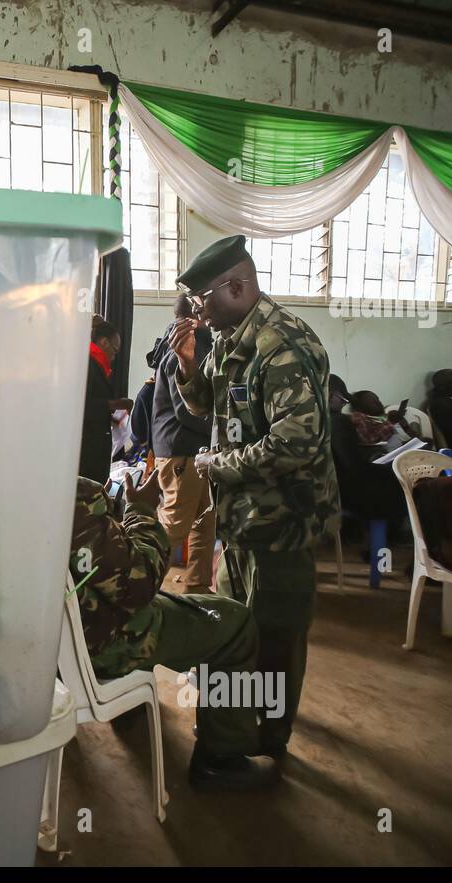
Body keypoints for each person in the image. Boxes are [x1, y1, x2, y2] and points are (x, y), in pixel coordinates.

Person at [168, 235, 340, 760]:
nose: (199, 312)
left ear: (236, 286)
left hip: (283, 520)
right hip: (242, 518)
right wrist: (187, 362)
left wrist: (215, 464)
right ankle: (234, 729)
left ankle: (267, 737)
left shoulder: (281, 346)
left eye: (203, 301)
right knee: (236, 629)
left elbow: (297, 442)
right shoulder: (230, 337)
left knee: (276, 636)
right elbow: (204, 408)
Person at [70, 470, 278, 790]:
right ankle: (221, 759)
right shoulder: (65, 499)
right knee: (235, 622)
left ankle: (128, 708)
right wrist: (140, 510)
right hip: (99, 644)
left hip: (43, 653)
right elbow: (140, 583)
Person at [143, 298, 215, 592]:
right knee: (173, 527)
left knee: (205, 524)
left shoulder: (194, 345)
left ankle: (197, 588)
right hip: (182, 450)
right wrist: (217, 431)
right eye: (206, 309)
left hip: (194, 451)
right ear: (196, 316)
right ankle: (141, 590)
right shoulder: (182, 350)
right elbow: (187, 410)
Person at [329, 375, 408, 537]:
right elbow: (353, 467)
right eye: (343, 400)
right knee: (402, 485)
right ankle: (383, 544)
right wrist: (389, 470)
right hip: (344, 491)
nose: (343, 405)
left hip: (324, 488)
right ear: (332, 395)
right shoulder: (338, 422)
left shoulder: (309, 421)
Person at [79, 319, 133, 483]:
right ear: (103, 342)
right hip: (87, 456)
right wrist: (114, 405)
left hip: (93, 454)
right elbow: (82, 406)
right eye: (114, 351)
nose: (114, 357)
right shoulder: (87, 364)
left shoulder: (95, 366)